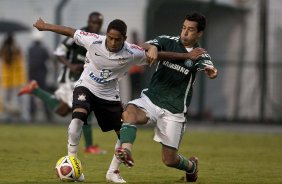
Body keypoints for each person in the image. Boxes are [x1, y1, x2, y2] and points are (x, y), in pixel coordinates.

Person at [32, 16, 205, 183]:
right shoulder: (93, 40)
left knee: (123, 132)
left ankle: (113, 172)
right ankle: (73, 162)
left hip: (109, 95)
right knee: (78, 118)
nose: (113, 42)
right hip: (86, 86)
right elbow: (70, 31)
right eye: (110, 38)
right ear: (106, 35)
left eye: (117, 39)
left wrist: (186, 56)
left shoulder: (131, 52)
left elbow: (161, 56)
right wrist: (45, 25)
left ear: (125, 39)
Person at [115, 11, 218, 182]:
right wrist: (153, 47)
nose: (185, 32)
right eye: (184, 28)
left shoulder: (200, 54)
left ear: (199, 33)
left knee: (169, 160)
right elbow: (145, 45)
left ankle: (191, 166)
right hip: (152, 99)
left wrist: (211, 71)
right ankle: (126, 151)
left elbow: (209, 67)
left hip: (174, 110)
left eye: (191, 30)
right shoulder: (167, 41)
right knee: (129, 112)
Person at [18, 12, 107, 154]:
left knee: (62, 110)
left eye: (99, 24)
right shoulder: (78, 35)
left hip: (87, 77)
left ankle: (35, 90)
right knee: (86, 107)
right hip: (72, 77)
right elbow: (59, 52)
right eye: (94, 22)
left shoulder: (101, 39)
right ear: (88, 21)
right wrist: (71, 66)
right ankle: (89, 146)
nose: (96, 26)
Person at [0, 34, 28, 121]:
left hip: (14, 78)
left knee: (16, 98)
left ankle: (19, 115)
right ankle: (8, 115)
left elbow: (20, 57)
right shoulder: (5, 50)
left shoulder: (15, 49)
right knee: (8, 98)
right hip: (10, 78)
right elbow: (6, 59)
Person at [27, 31, 52, 121]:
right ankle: (47, 114)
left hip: (32, 75)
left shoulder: (30, 49)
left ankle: (32, 113)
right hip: (42, 75)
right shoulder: (43, 49)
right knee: (44, 94)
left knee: (32, 94)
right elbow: (49, 59)